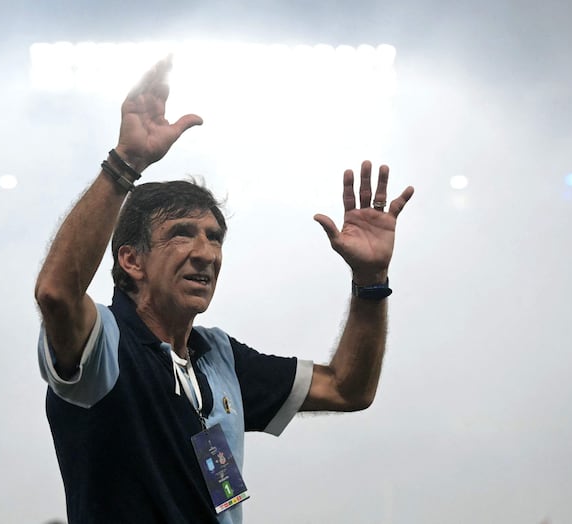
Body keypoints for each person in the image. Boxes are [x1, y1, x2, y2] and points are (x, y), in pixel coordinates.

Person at [35, 56, 414, 524]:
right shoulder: (104, 345)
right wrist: (126, 163)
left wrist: (371, 283)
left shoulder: (218, 356)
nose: (206, 253)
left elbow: (347, 388)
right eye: (181, 233)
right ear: (131, 260)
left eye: (214, 237)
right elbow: (56, 294)